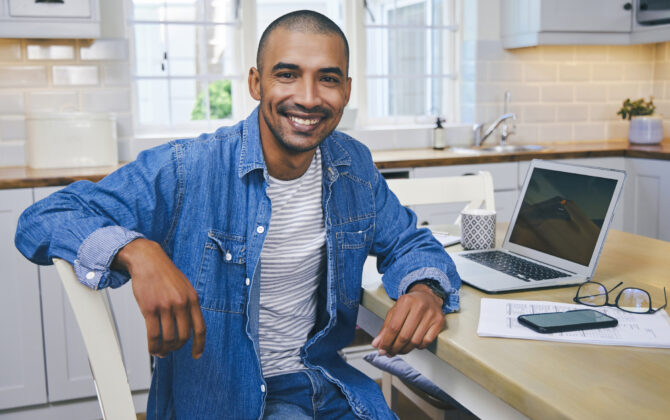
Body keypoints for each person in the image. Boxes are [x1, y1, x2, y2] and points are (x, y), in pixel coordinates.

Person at [15, 10, 461, 420]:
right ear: (256, 83)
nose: (308, 98)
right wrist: (138, 250)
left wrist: (425, 287)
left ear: (345, 89)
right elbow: (43, 217)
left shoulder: (352, 165)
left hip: (328, 386)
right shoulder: (190, 168)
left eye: (327, 79)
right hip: (228, 401)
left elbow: (409, 241)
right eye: (287, 74)